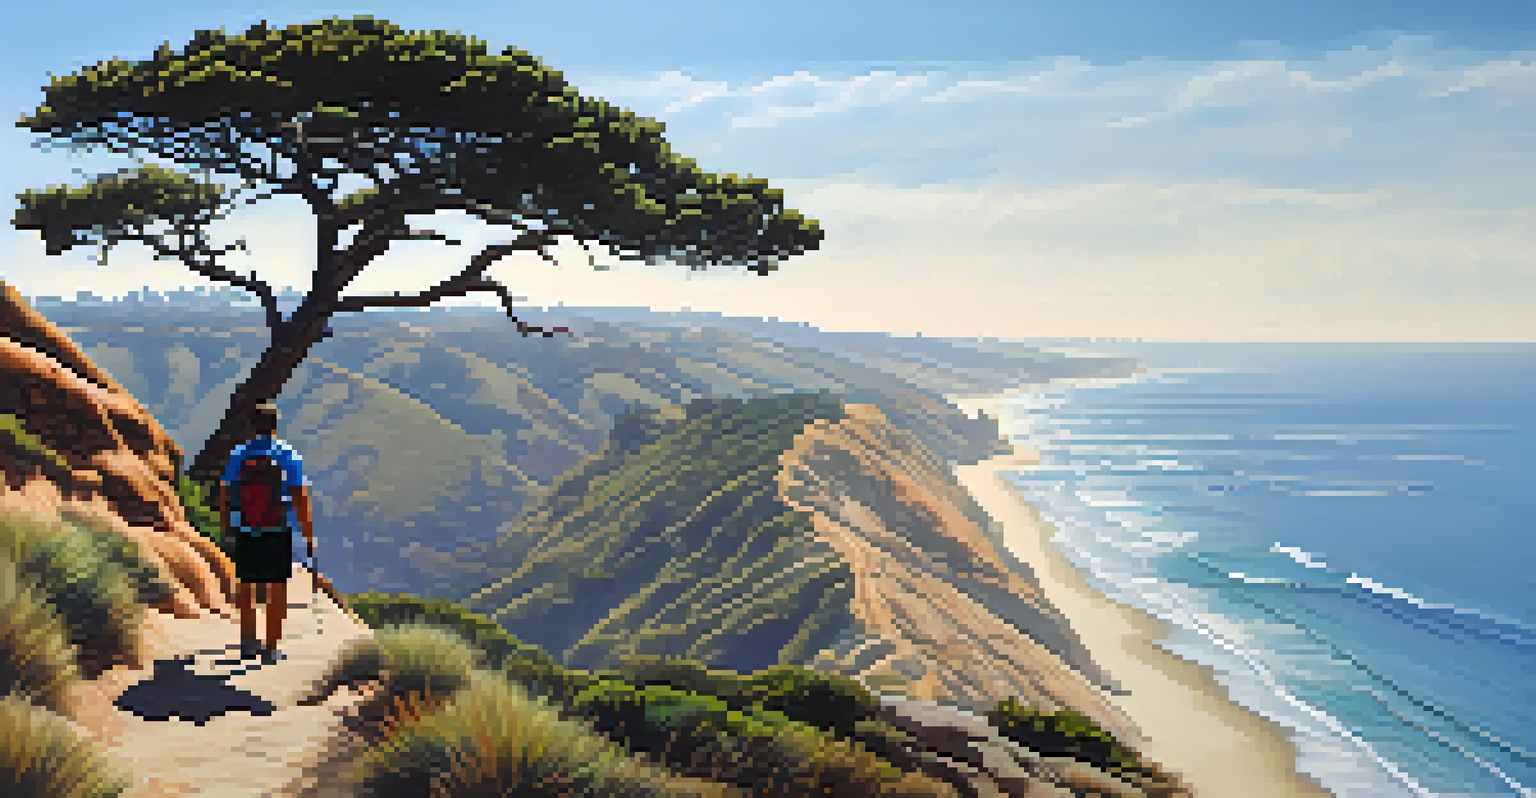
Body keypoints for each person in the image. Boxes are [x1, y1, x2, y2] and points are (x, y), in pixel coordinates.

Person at [218, 401, 316, 664]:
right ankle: (271, 647)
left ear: (251, 425)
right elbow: (300, 497)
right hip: (277, 527)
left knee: (246, 585)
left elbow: (225, 494)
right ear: (275, 425)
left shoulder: (239, 455)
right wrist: (308, 534)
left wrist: (226, 528)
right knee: (277, 587)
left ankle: (249, 642)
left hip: (245, 527)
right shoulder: (287, 454)